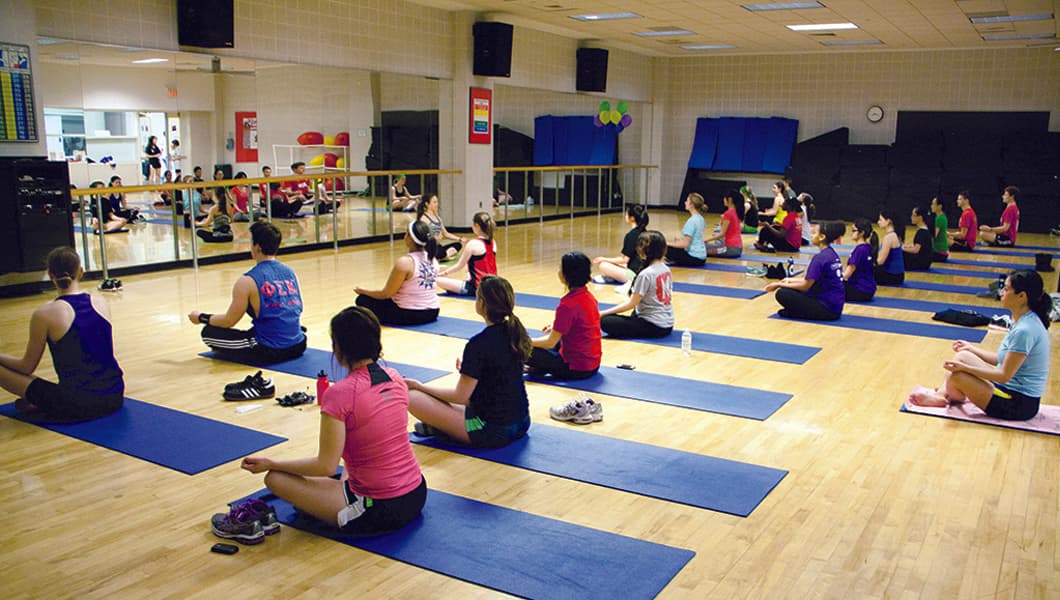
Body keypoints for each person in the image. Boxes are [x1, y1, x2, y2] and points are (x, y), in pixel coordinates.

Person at [235, 307, 426, 539]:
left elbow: (325, 466)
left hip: (380, 510)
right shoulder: (395, 378)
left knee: (275, 478)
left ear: (338, 348)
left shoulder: (340, 394)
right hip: (416, 493)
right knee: (348, 469)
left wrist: (271, 462)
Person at [405, 275, 532, 448]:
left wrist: (420, 386)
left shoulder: (478, 344)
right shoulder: (516, 333)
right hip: (522, 422)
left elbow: (460, 397)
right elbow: (500, 376)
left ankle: (443, 429)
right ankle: (443, 428)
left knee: (412, 396)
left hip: (491, 431)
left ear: (481, 303)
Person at [0, 247, 124, 422]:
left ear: (50, 275)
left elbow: (26, 367)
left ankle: (46, 403)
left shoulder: (44, 313)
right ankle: (42, 402)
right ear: (80, 272)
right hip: (115, 395)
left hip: (76, 404)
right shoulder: (101, 302)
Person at [909, 270, 1051, 421]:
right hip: (1008, 389)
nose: (1002, 292)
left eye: (1006, 289)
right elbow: (1001, 360)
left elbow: (1003, 376)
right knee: (962, 356)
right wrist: (971, 349)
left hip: (1017, 404)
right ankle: (941, 396)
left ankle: (946, 395)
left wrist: (965, 369)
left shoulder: (1025, 330)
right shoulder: (1022, 320)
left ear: (1022, 296)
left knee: (957, 376)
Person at [188, 221, 307, 363]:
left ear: (257, 247)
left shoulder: (246, 281)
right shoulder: (289, 272)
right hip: (299, 344)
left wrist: (201, 317)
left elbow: (229, 321)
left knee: (208, 333)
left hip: (269, 350)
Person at [528, 252, 601, 380]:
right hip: (593, 363)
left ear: (567, 274)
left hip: (576, 369)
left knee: (521, 348)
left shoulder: (568, 304)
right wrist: (556, 326)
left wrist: (524, 342)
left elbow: (550, 342)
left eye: (560, 268)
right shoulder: (589, 297)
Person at [354, 221, 440, 325]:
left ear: (410, 238)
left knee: (362, 300)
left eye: (406, 233)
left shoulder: (405, 262)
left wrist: (364, 291)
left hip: (410, 314)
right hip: (433, 312)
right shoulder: (432, 259)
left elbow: (386, 294)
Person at [600, 230, 674, 339]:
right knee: (635, 312)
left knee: (606, 321)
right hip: (668, 323)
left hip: (654, 326)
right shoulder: (666, 269)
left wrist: (603, 313)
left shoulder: (646, 274)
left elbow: (631, 304)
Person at [766, 221, 845, 321]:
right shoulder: (831, 253)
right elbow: (810, 280)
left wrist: (778, 284)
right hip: (835, 307)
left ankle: (799, 313)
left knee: (782, 293)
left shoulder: (819, 258)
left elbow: (805, 286)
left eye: (814, 233)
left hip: (827, 309)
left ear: (822, 237)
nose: (811, 235)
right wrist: (788, 280)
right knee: (790, 288)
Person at [436, 212, 497, 296]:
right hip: (494, 285)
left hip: (477, 288)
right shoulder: (493, 242)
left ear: (477, 226)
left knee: (437, 280)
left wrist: (444, 273)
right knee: (468, 267)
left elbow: (459, 266)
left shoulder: (472, 244)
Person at [592, 204, 648, 286]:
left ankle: (618, 277)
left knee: (603, 265)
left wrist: (603, 259)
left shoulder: (631, 235)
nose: (625, 216)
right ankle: (615, 276)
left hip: (635, 275)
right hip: (644, 271)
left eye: (626, 214)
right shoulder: (645, 232)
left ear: (632, 218)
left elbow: (624, 259)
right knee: (618, 264)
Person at [417, 194, 464, 261]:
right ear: (427, 204)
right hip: (428, 248)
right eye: (434, 202)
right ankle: (443, 256)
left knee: (458, 245)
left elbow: (446, 234)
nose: (437, 204)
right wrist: (434, 237)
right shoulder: (424, 219)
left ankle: (444, 256)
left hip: (438, 247)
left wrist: (460, 239)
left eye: (437, 202)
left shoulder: (438, 218)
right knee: (440, 253)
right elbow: (423, 237)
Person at [665, 193, 707, 266]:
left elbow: (685, 244)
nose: (685, 202)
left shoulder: (691, 221)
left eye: (687, 201)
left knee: (666, 248)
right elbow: (694, 239)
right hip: (702, 257)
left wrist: (667, 243)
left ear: (692, 205)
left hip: (694, 258)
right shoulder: (701, 219)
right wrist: (679, 241)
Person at [843, 219, 877, 302]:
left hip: (860, 290)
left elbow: (846, 275)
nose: (851, 233)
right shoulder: (867, 247)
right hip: (868, 290)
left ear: (862, 233)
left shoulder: (859, 250)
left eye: (854, 231)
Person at [704, 189, 745, 258]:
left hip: (730, 249)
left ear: (729, 199)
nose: (723, 199)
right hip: (738, 248)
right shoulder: (737, 212)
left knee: (701, 248)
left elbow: (722, 234)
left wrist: (705, 240)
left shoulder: (728, 213)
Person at [874, 209, 905, 285]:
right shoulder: (895, 234)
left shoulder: (889, 237)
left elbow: (880, 261)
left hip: (892, 276)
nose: (878, 222)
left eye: (880, 220)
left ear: (888, 221)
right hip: (897, 275)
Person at [902, 205, 934, 271]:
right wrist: (906, 247)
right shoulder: (924, 230)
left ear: (920, 217)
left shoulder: (922, 232)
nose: (911, 217)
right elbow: (919, 246)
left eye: (913, 215)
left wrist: (902, 248)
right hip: (925, 261)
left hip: (922, 263)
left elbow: (915, 250)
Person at [929, 196, 949, 263]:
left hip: (939, 253)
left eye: (933, 204)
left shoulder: (939, 219)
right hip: (942, 252)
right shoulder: (942, 216)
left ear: (939, 206)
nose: (931, 206)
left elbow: (934, 236)